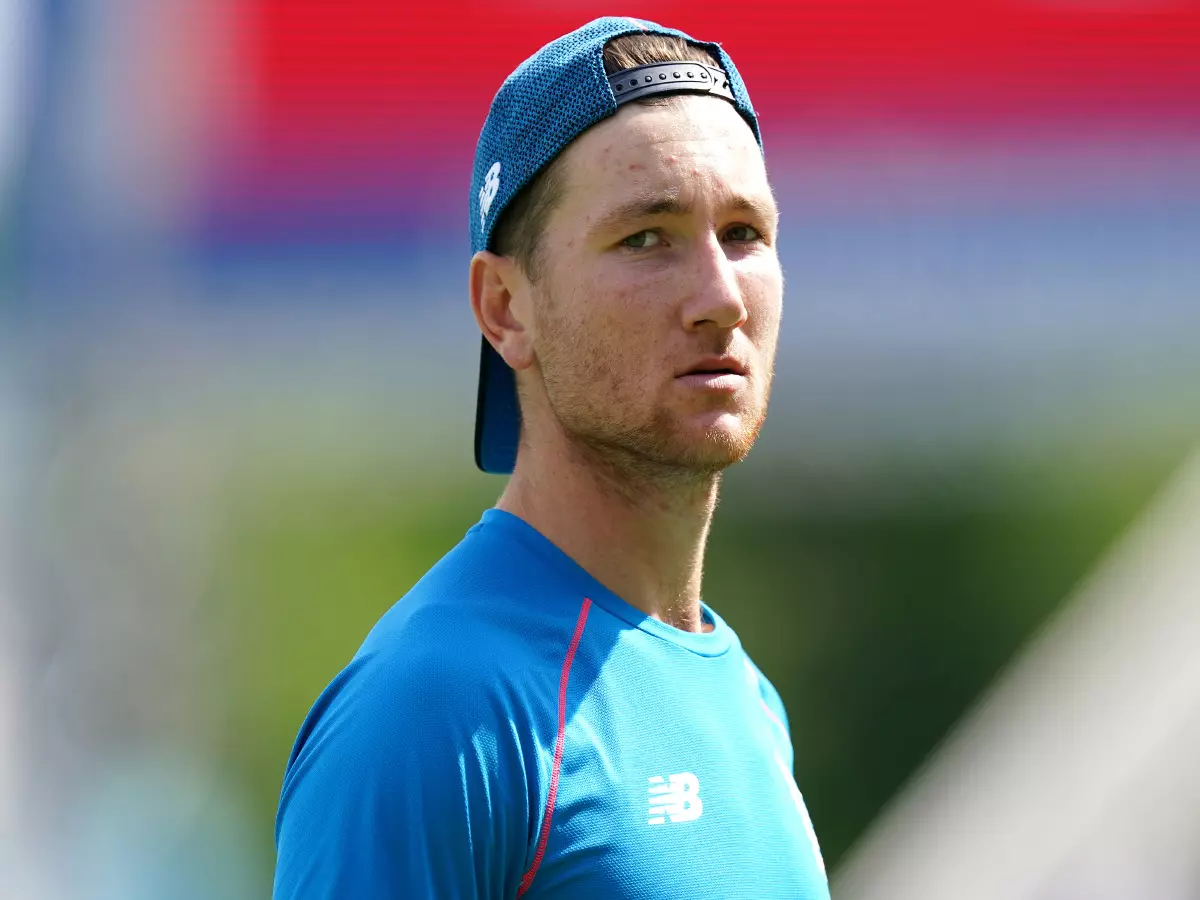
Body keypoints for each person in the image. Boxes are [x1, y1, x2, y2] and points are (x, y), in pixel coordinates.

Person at [273, 16, 830, 899]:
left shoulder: (750, 701)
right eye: (646, 237)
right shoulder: (433, 708)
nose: (721, 296)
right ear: (504, 308)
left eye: (743, 233)